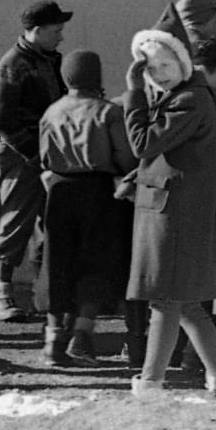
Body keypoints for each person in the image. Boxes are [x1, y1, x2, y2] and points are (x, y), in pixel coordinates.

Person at [123, 25, 216, 401]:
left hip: (177, 216)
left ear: (183, 61)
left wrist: (133, 91)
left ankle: (151, 383)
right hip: (175, 212)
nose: (159, 71)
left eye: (165, 62)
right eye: (151, 67)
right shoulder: (182, 96)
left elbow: (144, 142)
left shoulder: (188, 99)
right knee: (186, 302)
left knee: (166, 299)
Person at [36, 50, 136, 365]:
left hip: (60, 191)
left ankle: (53, 341)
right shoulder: (108, 112)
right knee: (96, 263)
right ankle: (82, 335)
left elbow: (44, 158)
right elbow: (126, 158)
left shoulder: (51, 112)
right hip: (99, 192)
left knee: (59, 263)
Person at [0, 0, 71, 323]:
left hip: (48, 156)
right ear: (36, 31)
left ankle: (43, 296)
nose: (61, 37)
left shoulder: (49, 60)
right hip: (22, 157)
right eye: (56, 30)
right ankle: (1, 295)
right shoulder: (12, 66)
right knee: (14, 225)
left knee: (49, 227)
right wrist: (36, 158)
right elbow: (2, 122)